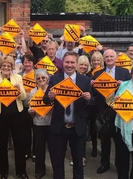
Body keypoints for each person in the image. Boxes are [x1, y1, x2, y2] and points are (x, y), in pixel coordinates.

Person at [43, 51, 94, 179]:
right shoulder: (55, 79)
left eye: (72, 62)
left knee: (78, 163)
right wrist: (49, 97)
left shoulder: (85, 80)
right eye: (67, 62)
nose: (69, 65)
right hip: (59, 127)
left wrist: (88, 98)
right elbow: (45, 100)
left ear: (76, 64)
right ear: (63, 63)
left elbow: (92, 102)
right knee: (57, 162)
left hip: (78, 128)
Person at [0, 56, 28, 179]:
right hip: (1, 116)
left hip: (17, 114)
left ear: (12, 67)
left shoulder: (18, 78)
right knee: (1, 145)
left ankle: (21, 172)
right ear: (0, 67)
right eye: (4, 65)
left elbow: (24, 97)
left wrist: (19, 89)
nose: (6, 68)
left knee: (19, 144)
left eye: (8, 66)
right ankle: (3, 173)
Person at [92, 49, 131, 174]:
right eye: (107, 57)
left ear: (115, 58)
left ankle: (119, 164)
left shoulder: (124, 73)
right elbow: (94, 95)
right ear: (104, 59)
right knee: (104, 139)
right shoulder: (97, 74)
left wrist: (124, 84)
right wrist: (92, 85)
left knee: (119, 140)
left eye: (111, 56)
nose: (109, 58)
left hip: (119, 110)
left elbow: (132, 91)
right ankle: (104, 163)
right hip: (104, 110)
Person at [25, 69, 52, 179]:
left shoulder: (51, 92)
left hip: (51, 123)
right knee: (39, 149)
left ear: (47, 79)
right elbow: (30, 107)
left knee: (54, 149)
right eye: (38, 78)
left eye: (43, 78)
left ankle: (57, 170)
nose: (41, 80)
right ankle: (39, 170)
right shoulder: (32, 92)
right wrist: (30, 112)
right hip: (38, 123)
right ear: (35, 80)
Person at [18, 54, 36, 161]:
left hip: (35, 106)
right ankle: (27, 151)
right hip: (23, 106)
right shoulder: (19, 75)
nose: (27, 64)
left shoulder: (37, 74)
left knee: (36, 131)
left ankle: (35, 152)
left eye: (30, 62)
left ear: (33, 63)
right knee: (25, 131)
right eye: (26, 62)